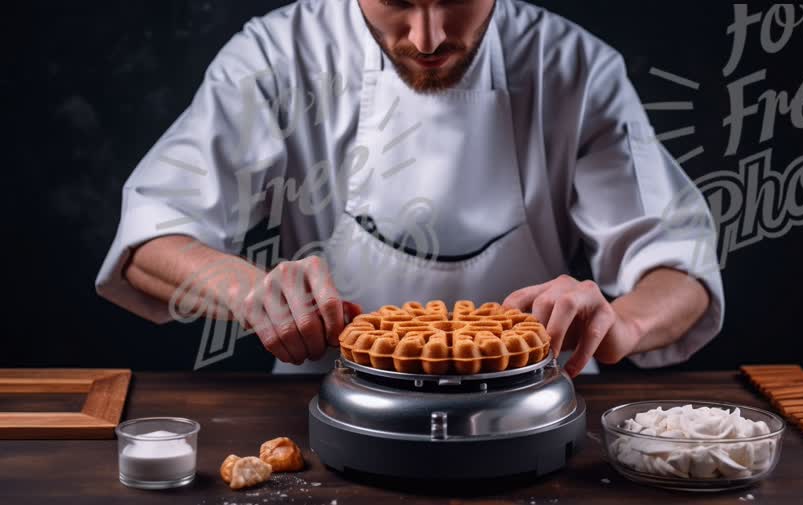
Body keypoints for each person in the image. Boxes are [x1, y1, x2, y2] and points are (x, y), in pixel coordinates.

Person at [96, 0, 724, 376]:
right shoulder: (276, 55)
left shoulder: (576, 68)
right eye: (397, 1)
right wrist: (254, 293)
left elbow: (680, 270)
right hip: (325, 408)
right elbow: (152, 232)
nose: (427, 38)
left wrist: (623, 324)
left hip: (531, 415)